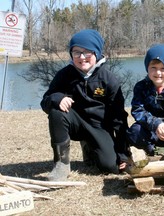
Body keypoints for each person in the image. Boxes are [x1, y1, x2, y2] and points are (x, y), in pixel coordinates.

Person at [41, 29, 129, 181]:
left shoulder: (109, 79)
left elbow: (119, 118)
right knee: (56, 111)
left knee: (111, 167)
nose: (82, 57)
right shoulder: (64, 75)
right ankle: (61, 164)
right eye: (76, 52)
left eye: (87, 52)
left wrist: (123, 153)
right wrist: (57, 98)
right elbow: (45, 101)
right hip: (75, 123)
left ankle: (90, 148)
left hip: (99, 127)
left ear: (96, 53)